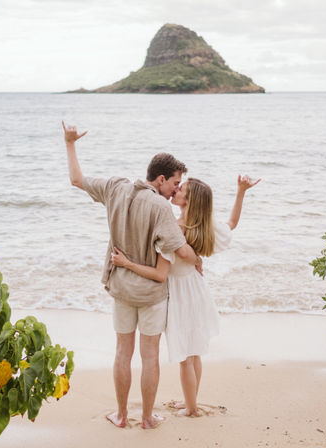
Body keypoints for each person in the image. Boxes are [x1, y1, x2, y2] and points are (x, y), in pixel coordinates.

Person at [62, 121, 201, 429]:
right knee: (149, 356)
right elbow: (181, 251)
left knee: (122, 353)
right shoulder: (162, 209)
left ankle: (122, 415)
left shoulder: (115, 187)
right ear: (161, 179)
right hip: (151, 294)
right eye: (175, 184)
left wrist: (70, 143)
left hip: (122, 289)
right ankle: (148, 418)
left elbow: (76, 179)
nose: (176, 190)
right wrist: (200, 258)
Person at [111, 174, 260, 417]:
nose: (177, 189)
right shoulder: (204, 225)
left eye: (182, 188)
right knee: (194, 353)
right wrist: (241, 192)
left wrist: (127, 263)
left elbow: (161, 273)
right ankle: (191, 399)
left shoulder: (176, 229)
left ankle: (191, 408)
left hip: (179, 293)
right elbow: (232, 223)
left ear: (188, 200)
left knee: (186, 359)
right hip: (197, 290)